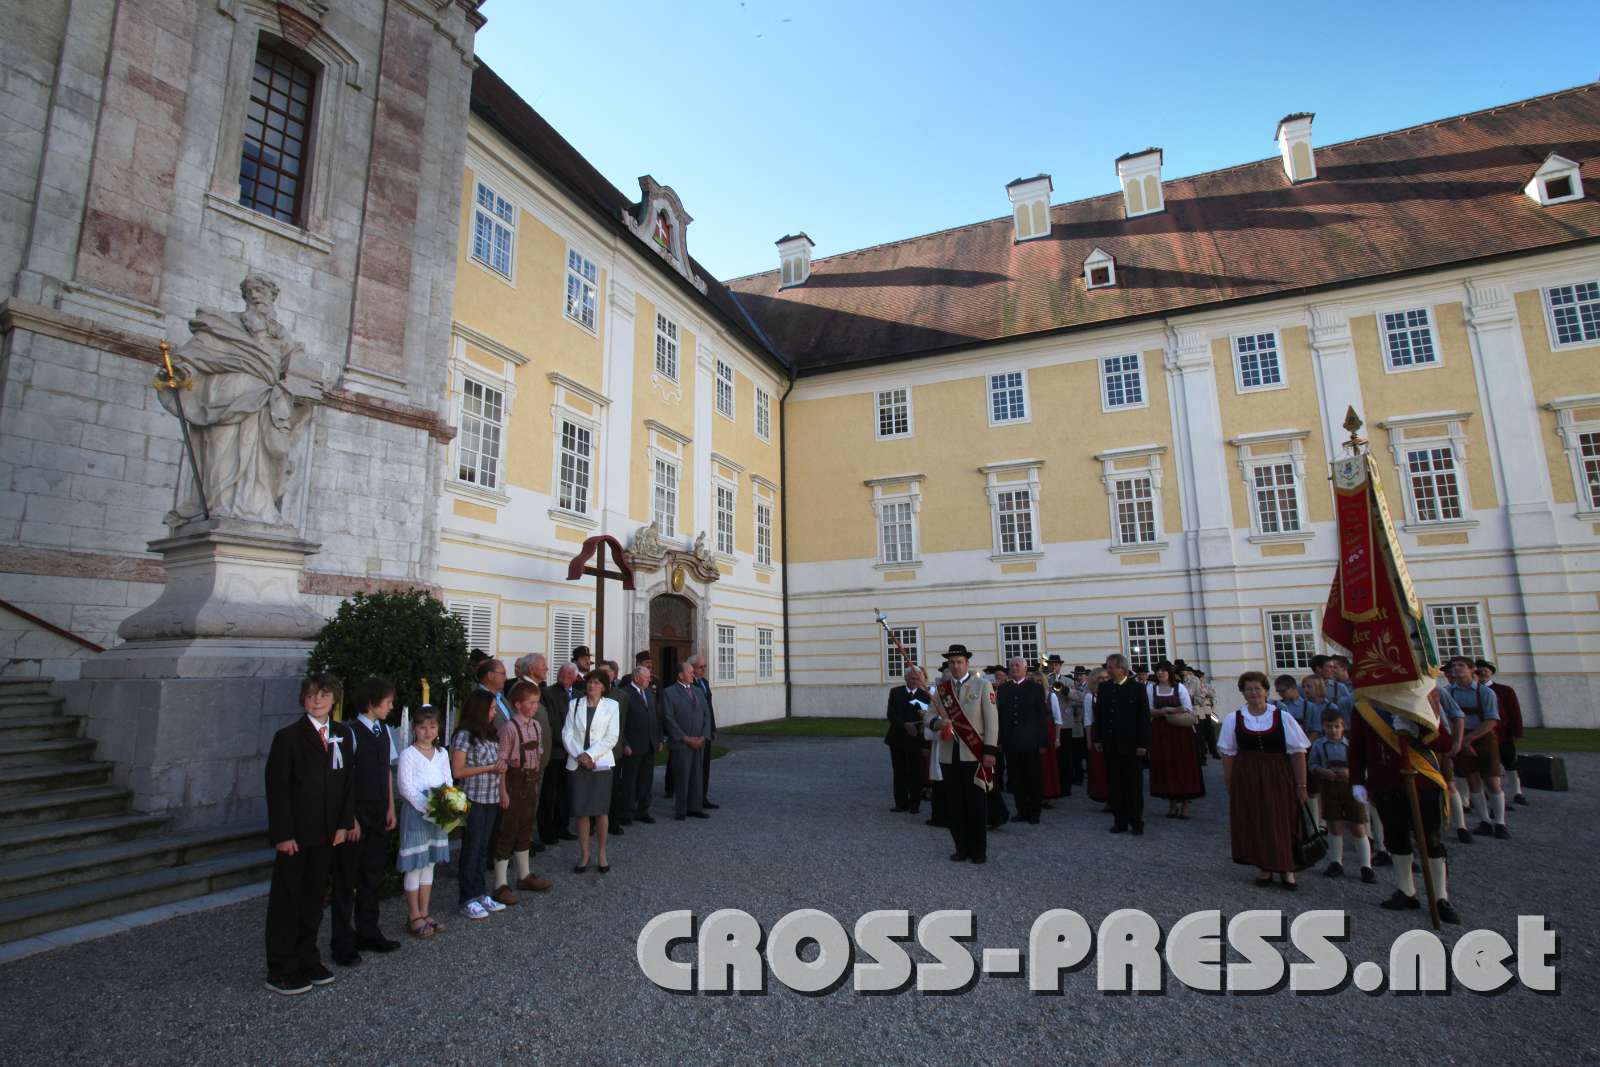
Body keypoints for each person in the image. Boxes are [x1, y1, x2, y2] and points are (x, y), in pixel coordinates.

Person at [264, 674, 354, 995]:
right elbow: (278, 789)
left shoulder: (342, 733)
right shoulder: (287, 738)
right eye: (312, 695)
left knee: (315, 899)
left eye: (324, 695)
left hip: (327, 832)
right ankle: (281, 966)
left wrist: (344, 823)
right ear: (303, 699)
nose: (317, 700)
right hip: (297, 834)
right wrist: (283, 833)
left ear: (334, 699)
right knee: (288, 899)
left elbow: (347, 781)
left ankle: (308, 956)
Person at [1347, 691, 1461, 924]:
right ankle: (1406, 890)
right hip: (1386, 781)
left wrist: (1419, 731)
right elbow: (1357, 747)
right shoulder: (1364, 707)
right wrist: (1357, 780)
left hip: (1423, 781)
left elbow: (1445, 743)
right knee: (1396, 838)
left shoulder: (1421, 702)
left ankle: (1440, 897)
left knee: (1430, 840)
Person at [329, 676, 400, 967]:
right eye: (388, 702)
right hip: (358, 815)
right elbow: (344, 778)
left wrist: (391, 806)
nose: (391, 707)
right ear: (372, 703)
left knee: (372, 876)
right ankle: (341, 941)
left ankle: (368, 930)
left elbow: (386, 771)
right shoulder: (351, 732)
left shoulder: (384, 731)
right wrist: (350, 819)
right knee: (346, 881)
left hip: (379, 812)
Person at [1218, 671, 1311, 889]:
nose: (1253, 693)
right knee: (1256, 819)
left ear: (1266, 691)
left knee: (1282, 818)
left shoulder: (1282, 717)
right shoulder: (1234, 719)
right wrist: (1230, 781)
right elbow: (1228, 753)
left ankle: (1287, 868)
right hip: (1248, 775)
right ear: (1243, 693)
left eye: (1257, 689)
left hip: (1278, 774)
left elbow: (1298, 753)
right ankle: (1264, 866)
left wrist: (1301, 785)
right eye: (1248, 689)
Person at [926, 644, 997, 864]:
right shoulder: (942, 689)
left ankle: (978, 850)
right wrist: (938, 722)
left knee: (976, 804)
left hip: (974, 754)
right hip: (949, 754)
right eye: (952, 662)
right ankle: (961, 847)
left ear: (967, 663)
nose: (955, 666)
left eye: (959, 662)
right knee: (954, 804)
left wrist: (990, 751)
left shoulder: (983, 685)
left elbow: (992, 721)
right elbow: (928, 716)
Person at [490, 680, 552, 905]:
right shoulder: (509, 728)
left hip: (530, 781)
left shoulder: (535, 726)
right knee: (507, 830)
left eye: (536, 702)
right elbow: (501, 762)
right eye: (531, 702)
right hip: (513, 782)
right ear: (517, 704)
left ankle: (524, 875)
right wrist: (503, 791)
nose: (535, 706)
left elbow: (539, 751)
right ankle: (500, 884)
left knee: (525, 827)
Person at [396, 707, 452, 940]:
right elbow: (405, 787)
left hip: (438, 812)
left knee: (429, 863)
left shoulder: (442, 753)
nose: (427, 732)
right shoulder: (408, 754)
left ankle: (425, 911)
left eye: (432, 726)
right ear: (414, 729)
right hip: (418, 812)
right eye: (422, 727)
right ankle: (414, 915)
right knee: (415, 864)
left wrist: (447, 803)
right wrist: (427, 805)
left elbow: (448, 780)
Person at [451, 691, 507, 920]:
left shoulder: (491, 733)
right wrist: (489, 768)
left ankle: (480, 892)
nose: (494, 713)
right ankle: (467, 897)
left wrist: (502, 789)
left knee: (483, 847)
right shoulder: (465, 735)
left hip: (491, 797)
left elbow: (499, 764)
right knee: (471, 847)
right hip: (473, 797)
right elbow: (458, 771)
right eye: (491, 708)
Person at [1441, 656, 1508, 839]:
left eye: (1461, 665)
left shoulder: (1485, 692)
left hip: (1483, 737)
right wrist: (1460, 740)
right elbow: (1448, 718)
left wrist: (1468, 739)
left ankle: (1500, 822)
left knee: (1492, 781)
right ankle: (1484, 820)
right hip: (1460, 737)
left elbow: (1492, 720)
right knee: (1472, 780)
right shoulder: (1447, 692)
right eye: (1454, 666)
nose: (1456, 669)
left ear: (1472, 669)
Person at [1308, 709, 1376, 883]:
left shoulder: (1351, 745)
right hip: (1330, 787)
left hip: (1351, 788)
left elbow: (1365, 765)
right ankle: (1336, 862)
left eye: (1336, 726)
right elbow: (1312, 764)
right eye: (1329, 726)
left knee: (1358, 827)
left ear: (1343, 726)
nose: (1333, 730)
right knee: (1334, 825)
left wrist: (1351, 773)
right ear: (1323, 727)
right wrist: (1322, 771)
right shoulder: (1319, 745)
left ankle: (1366, 866)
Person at [564, 669, 620, 873]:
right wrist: (580, 755)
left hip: (600, 763)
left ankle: (602, 853)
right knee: (582, 811)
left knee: (600, 811)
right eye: (589, 682)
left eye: (596, 682)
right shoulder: (574, 704)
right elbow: (567, 733)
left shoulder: (612, 706)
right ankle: (584, 854)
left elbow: (611, 736)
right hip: (577, 762)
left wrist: (590, 755)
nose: (591, 685)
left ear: (604, 686)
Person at [1095, 654, 1151, 836]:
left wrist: (1142, 743)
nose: (1109, 670)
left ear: (1122, 669)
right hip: (1111, 744)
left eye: (1112, 667)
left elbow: (1143, 718)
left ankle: (1136, 821)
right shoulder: (1104, 688)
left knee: (1133, 785)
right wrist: (1098, 738)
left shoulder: (1137, 688)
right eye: (1108, 667)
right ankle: (1119, 821)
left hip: (1131, 745)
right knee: (1115, 784)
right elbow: (1099, 715)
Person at [1147, 661, 1203, 819]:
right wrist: (1163, 712)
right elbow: (1149, 710)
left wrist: (1169, 710)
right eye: (1158, 670)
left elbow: (1187, 707)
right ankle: (1172, 803)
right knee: (1166, 765)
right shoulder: (1151, 689)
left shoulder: (1179, 688)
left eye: (1163, 670)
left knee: (1183, 765)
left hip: (1180, 731)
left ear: (1169, 672)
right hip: (1161, 732)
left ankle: (1185, 804)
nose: (1160, 673)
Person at [997, 657, 1049, 824]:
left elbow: (1042, 716)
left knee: (1033, 777)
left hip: (1030, 741)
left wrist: (1042, 741)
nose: (1014, 668)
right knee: (1016, 778)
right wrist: (999, 739)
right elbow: (1000, 716)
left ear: (1025, 668)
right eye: (1012, 665)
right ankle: (1021, 810)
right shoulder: (1003, 688)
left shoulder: (1035, 688)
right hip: (1011, 741)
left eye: (1018, 665)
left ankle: (1035, 811)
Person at [513, 653, 555, 853]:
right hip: (529, 760)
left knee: (532, 803)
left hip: (537, 760)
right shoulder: (522, 689)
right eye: (543, 665)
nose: (547, 668)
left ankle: (526, 839)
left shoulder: (534, 688)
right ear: (531, 669)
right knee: (526, 803)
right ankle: (522, 842)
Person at [663, 661, 712, 821]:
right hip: (681, 743)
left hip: (698, 741)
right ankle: (681, 809)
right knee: (682, 776)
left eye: (692, 672)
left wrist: (703, 736)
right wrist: (685, 738)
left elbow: (707, 714)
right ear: (680, 675)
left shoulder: (698, 691)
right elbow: (668, 718)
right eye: (690, 672)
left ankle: (695, 807)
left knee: (697, 776)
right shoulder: (669, 692)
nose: (693, 675)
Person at [538, 663, 580, 847]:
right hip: (556, 751)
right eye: (563, 673)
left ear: (575, 677)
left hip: (572, 753)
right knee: (549, 793)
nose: (566, 676)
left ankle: (563, 827)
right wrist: (566, 743)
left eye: (570, 674)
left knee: (565, 792)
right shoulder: (547, 693)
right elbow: (551, 723)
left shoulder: (579, 695)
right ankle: (547, 831)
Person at [1476, 659, 1528, 806]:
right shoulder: (1474, 691)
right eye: (1480, 671)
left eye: (1486, 670)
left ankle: (1517, 792)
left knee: (1510, 763)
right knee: (1490, 766)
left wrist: (1516, 731)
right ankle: (1496, 794)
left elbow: (1514, 712)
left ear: (1491, 673)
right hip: (1483, 735)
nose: (1483, 673)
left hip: (1503, 734)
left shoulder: (1505, 690)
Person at [618, 664, 661, 823]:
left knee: (646, 780)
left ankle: (643, 810)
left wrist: (658, 738)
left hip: (649, 743)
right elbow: (620, 722)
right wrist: (625, 743)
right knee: (630, 780)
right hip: (633, 745)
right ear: (636, 678)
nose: (650, 680)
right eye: (646, 677)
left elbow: (656, 716)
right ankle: (627, 812)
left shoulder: (649, 693)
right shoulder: (625, 693)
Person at [886, 667, 931, 813]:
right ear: (906, 678)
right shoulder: (896, 692)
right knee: (899, 771)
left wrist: (925, 743)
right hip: (897, 737)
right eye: (912, 678)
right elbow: (891, 714)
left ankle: (914, 804)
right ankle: (901, 803)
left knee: (916, 772)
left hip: (916, 738)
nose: (915, 681)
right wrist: (905, 725)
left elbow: (928, 718)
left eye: (917, 678)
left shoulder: (926, 695)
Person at [689, 654, 720, 808]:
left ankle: (703, 796)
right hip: (694, 730)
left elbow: (709, 707)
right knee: (694, 767)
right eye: (701, 667)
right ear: (692, 668)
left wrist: (712, 728)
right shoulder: (689, 684)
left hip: (706, 730)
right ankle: (692, 798)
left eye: (704, 667)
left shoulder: (704, 683)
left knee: (705, 765)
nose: (703, 670)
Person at [1082, 667, 1110, 808]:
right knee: (1100, 767)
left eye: (1106, 678)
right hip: (1096, 732)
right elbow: (1088, 720)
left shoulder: (1112, 693)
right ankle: (1105, 796)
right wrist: (1088, 740)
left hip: (1111, 733)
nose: (1104, 680)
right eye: (1100, 678)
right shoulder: (1090, 697)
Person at [1038, 668, 1065, 804]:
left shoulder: (1051, 696)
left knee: (1048, 764)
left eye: (1039, 681)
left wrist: (1057, 738)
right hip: (1034, 733)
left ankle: (1049, 794)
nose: (1037, 683)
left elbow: (1058, 719)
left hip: (1048, 732)